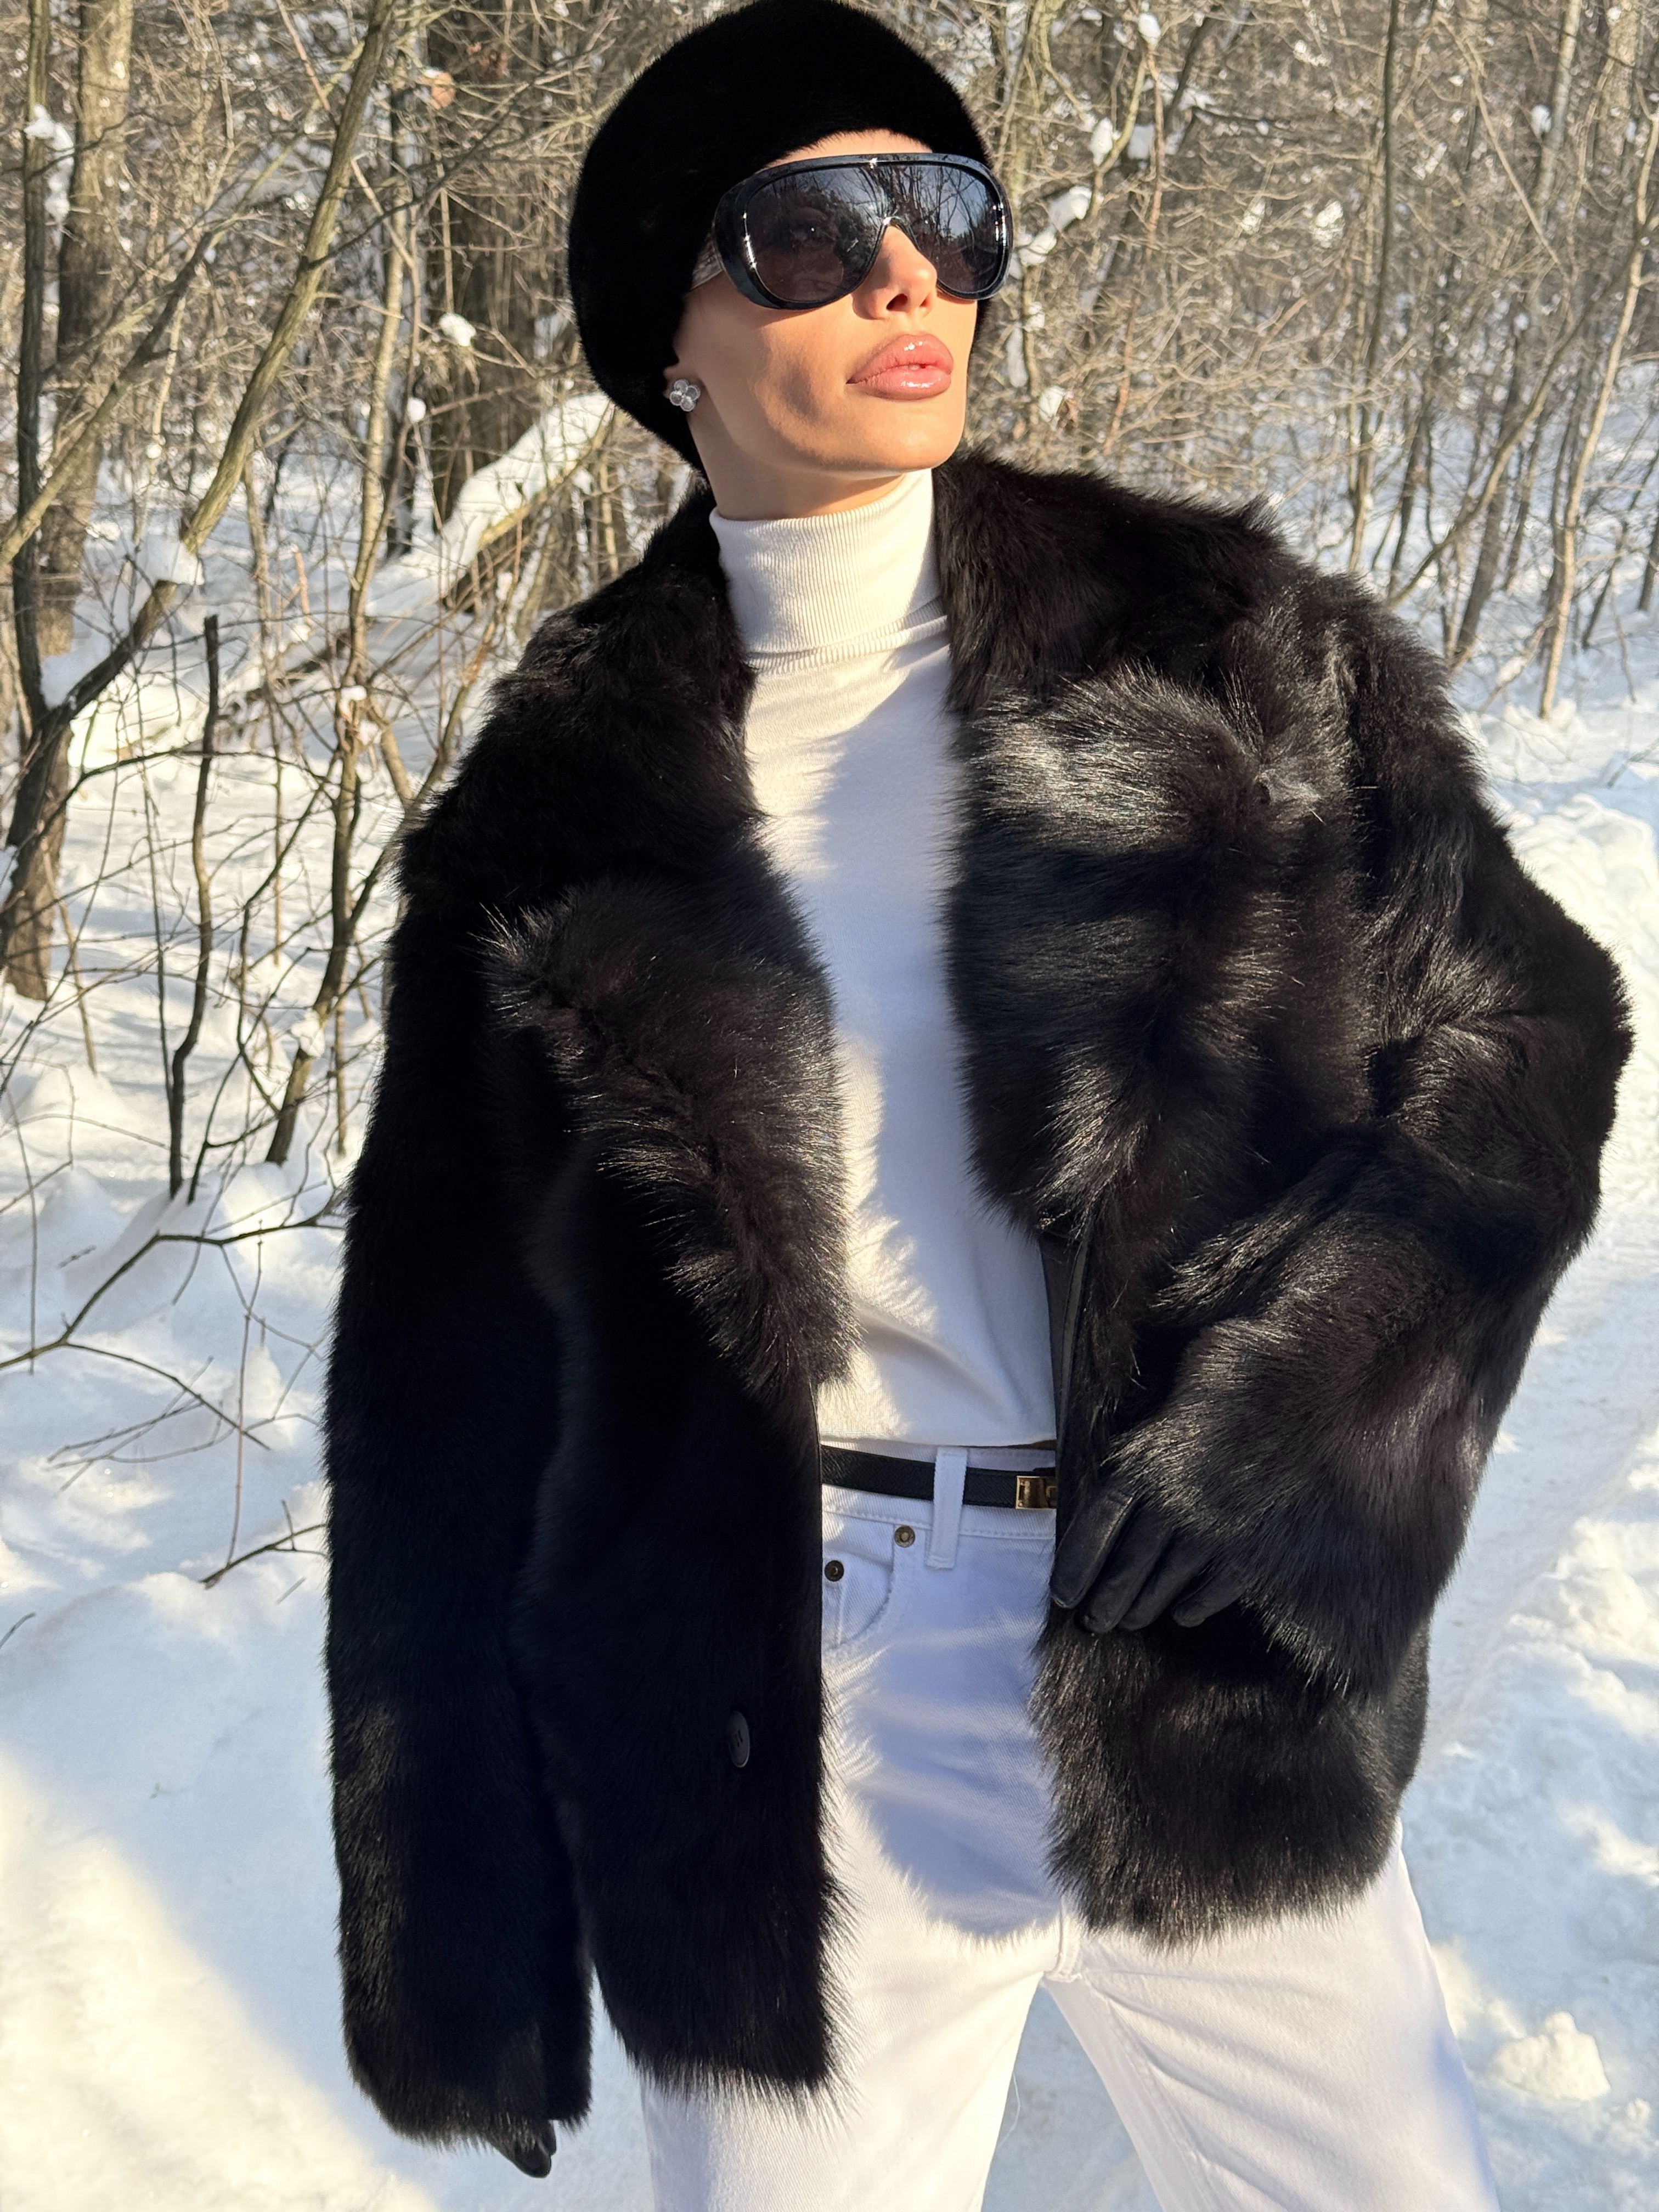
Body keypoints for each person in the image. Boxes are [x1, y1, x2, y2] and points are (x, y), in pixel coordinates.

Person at [321, 4, 1629, 2206]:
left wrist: (1302, 1431)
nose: (906, 272)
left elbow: (1535, 1036)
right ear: (670, 337)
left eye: (942, 211)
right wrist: (455, 1931)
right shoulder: (559, 815)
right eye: (812, 231)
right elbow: (442, 1386)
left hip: (1193, 1645)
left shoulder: (1219, 643)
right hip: (779, 1714)